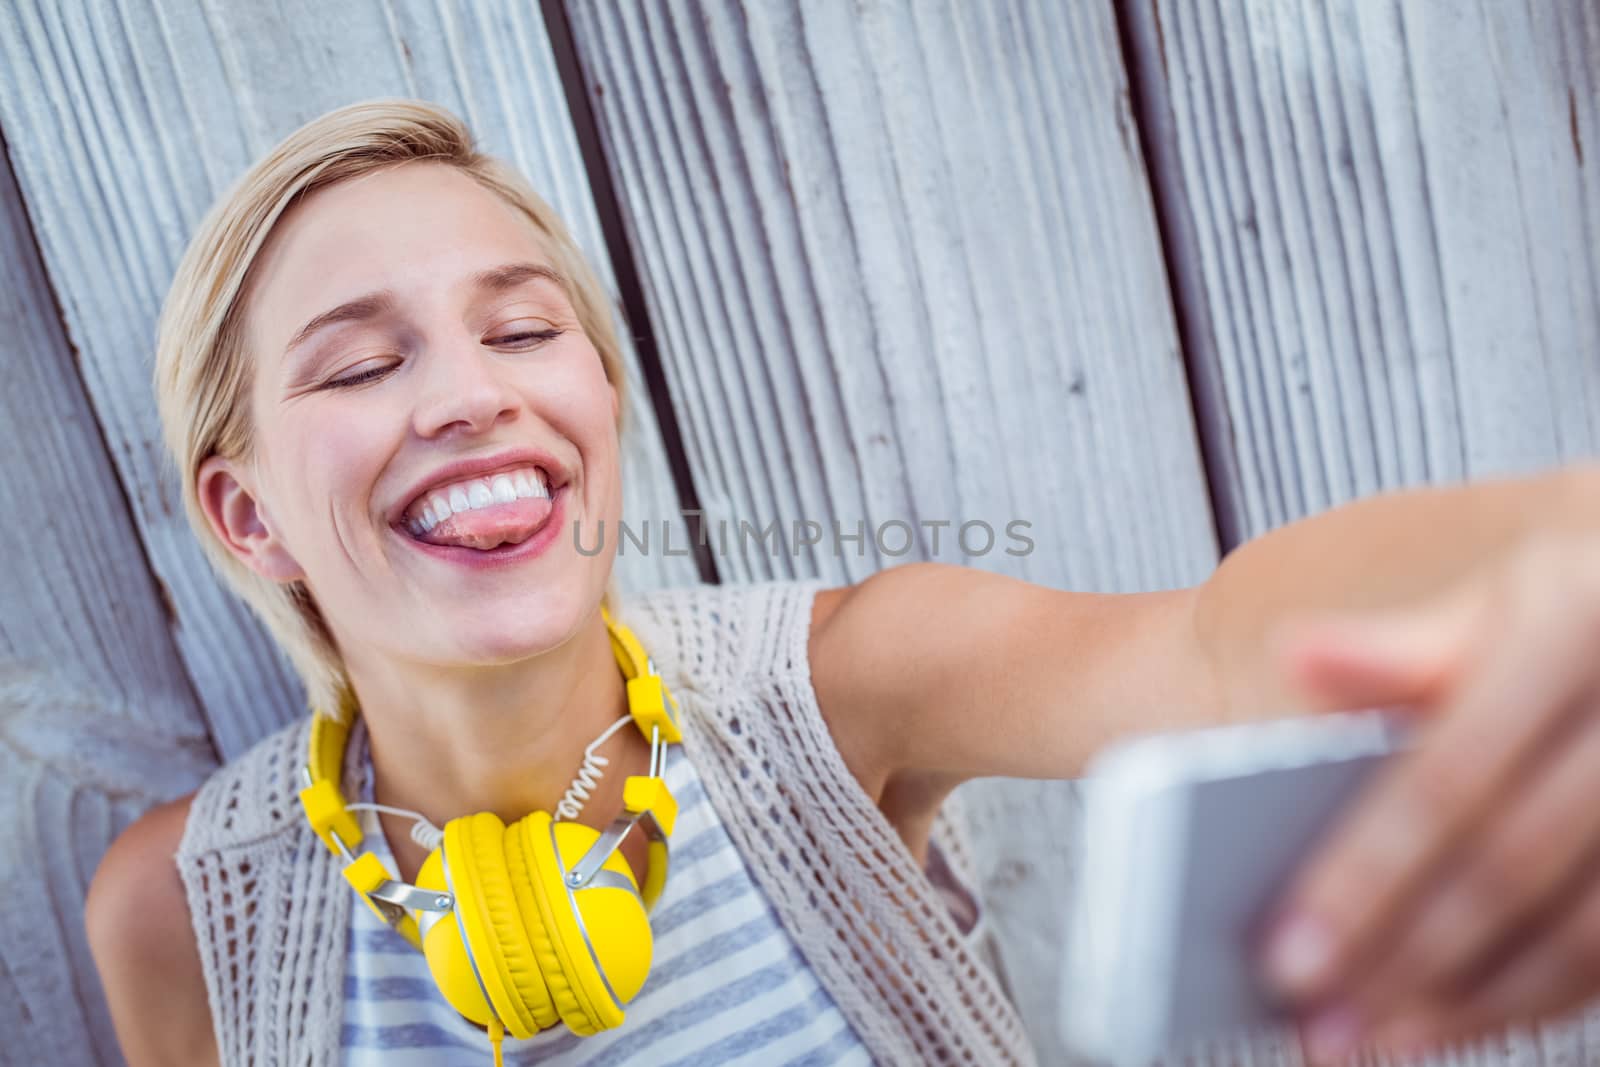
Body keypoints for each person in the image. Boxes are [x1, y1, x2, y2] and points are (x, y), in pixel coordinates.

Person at [83, 98, 1600, 1066]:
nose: (475, 393)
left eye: (527, 330)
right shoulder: (180, 909)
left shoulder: (836, 689)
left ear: (600, 413)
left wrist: (1555, 547)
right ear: (247, 515)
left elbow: (1226, 641)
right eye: (361, 361)